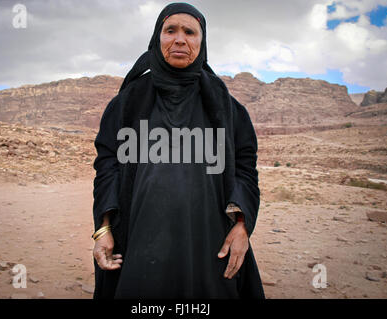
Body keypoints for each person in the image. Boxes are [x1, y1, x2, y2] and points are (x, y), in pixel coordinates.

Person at [92, 2, 264, 299]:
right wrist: (103, 228)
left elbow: (245, 168)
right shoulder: (127, 103)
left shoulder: (227, 107)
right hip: (138, 237)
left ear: (202, 40)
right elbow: (108, 165)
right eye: (170, 30)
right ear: (157, 39)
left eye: (190, 32)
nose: (180, 39)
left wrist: (242, 226)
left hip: (210, 242)